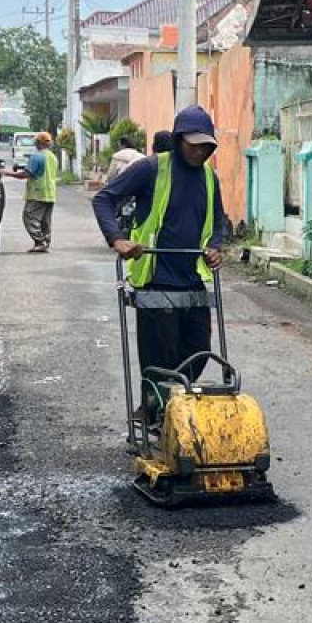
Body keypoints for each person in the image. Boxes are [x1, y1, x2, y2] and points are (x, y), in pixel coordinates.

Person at [92, 107, 228, 407]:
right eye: (193, 144)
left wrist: (216, 246)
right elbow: (104, 199)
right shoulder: (152, 168)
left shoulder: (209, 177)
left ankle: (167, 406)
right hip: (155, 278)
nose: (200, 151)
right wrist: (118, 240)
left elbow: (219, 220)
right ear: (179, 140)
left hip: (192, 279)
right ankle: (153, 413)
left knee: (199, 349)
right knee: (159, 357)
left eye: (206, 145)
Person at [22, 131, 57, 253]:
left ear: (38, 142)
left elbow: (26, 174)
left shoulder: (36, 156)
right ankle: (45, 242)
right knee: (45, 220)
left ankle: (39, 241)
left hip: (37, 192)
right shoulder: (52, 156)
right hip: (50, 193)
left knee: (29, 216)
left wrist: (6, 173)